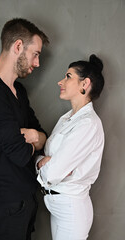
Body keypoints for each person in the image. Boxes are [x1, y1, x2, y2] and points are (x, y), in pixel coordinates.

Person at [0, 18, 49, 240]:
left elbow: (43, 138)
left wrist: (31, 135)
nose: (37, 63)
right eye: (35, 54)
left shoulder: (19, 91)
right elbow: (20, 154)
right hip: (8, 204)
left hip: (26, 200)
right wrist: (31, 139)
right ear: (17, 47)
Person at [36, 54, 105, 240]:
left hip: (70, 209)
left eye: (68, 76)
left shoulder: (88, 124)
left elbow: (52, 173)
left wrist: (47, 164)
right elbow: (47, 157)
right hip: (56, 204)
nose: (61, 81)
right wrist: (43, 162)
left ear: (85, 84)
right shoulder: (67, 119)